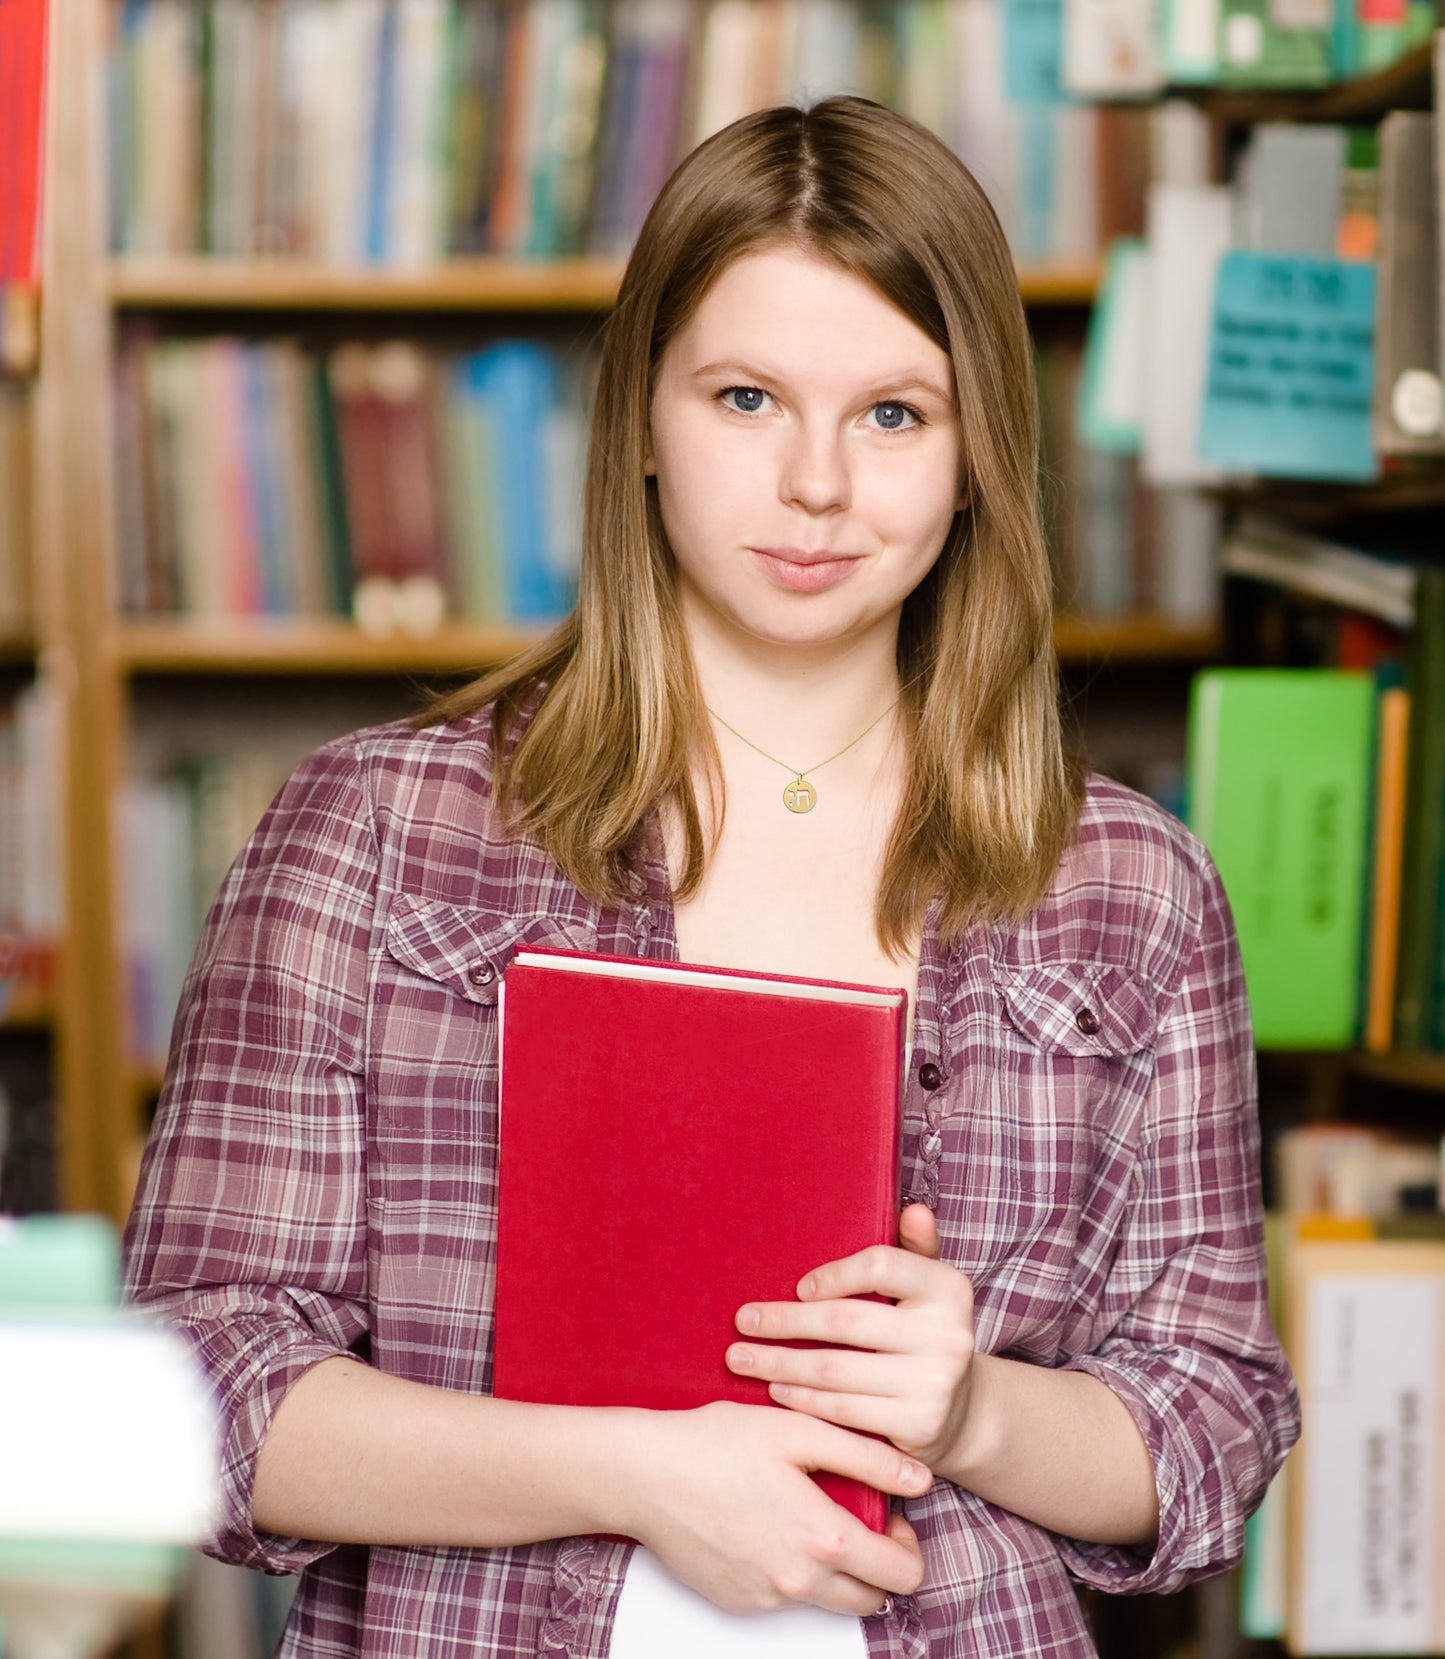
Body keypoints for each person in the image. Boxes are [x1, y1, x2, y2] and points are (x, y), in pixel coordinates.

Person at [122, 95, 1299, 1659]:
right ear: (644, 430)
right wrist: (632, 1472)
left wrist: (971, 1415)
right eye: (746, 398)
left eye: (894, 414)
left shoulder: (1128, 883)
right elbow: (192, 1389)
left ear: (974, 461)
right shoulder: (373, 830)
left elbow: (1214, 1422)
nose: (817, 482)